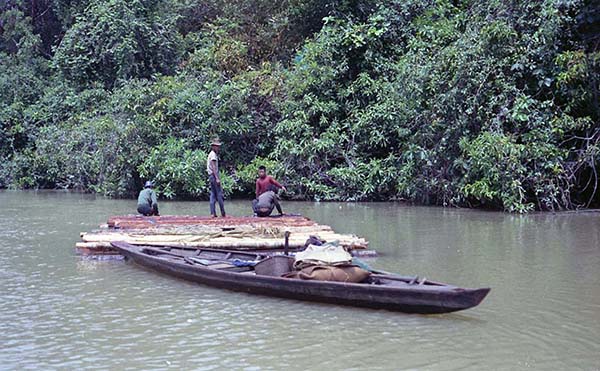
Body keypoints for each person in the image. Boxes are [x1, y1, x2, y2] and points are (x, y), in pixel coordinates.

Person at [207, 138, 226, 217]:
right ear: (213, 146)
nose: (218, 148)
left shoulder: (211, 154)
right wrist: (217, 178)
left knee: (213, 195)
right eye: (217, 146)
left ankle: (212, 213)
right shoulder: (213, 155)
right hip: (214, 176)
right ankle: (223, 213)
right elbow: (213, 167)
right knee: (219, 194)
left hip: (211, 176)